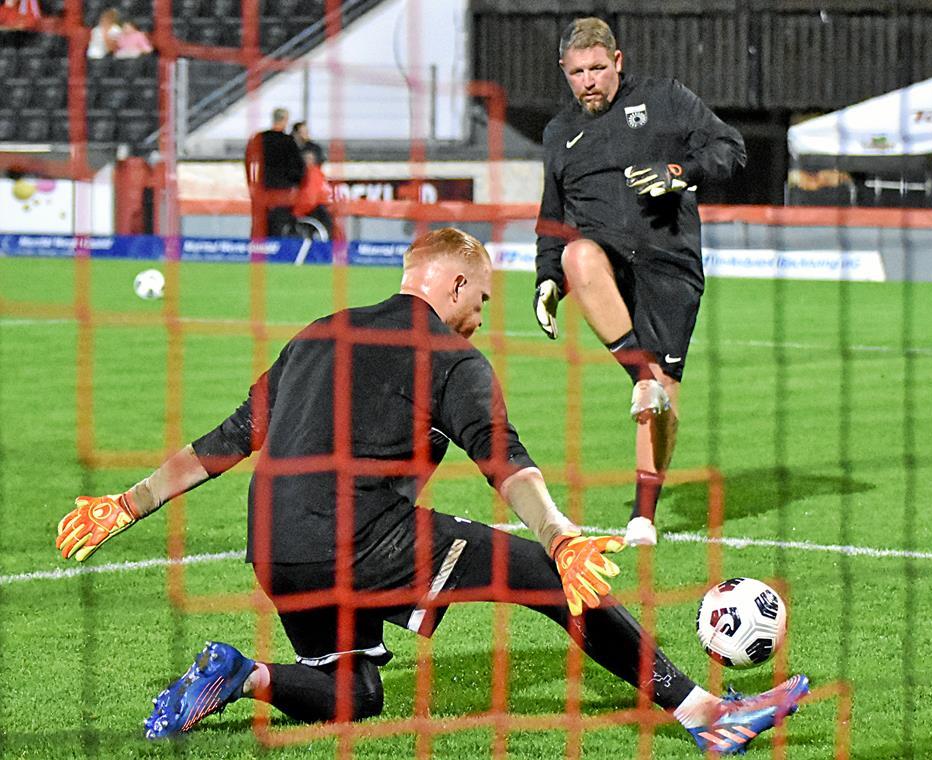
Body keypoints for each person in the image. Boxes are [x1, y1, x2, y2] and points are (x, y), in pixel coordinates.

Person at [55, 228, 807, 754]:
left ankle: (238, 674)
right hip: (358, 537)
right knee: (550, 579)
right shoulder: (452, 358)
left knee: (353, 693)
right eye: (479, 300)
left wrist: (127, 504)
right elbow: (507, 464)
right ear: (451, 283)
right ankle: (705, 714)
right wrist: (558, 535)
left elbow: (224, 441)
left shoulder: (319, 331)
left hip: (271, 545)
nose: (480, 320)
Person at [533, 18, 747, 547]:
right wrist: (545, 278)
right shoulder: (560, 134)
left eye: (598, 69)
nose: (589, 81)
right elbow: (552, 217)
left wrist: (681, 171)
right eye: (578, 72)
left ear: (618, 62)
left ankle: (643, 516)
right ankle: (639, 377)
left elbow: (731, 148)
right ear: (565, 72)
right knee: (577, 255)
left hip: (669, 263)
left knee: (665, 396)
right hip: (604, 260)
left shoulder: (665, 99)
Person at [244, 107, 304, 238]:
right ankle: (276, 252)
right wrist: (297, 184)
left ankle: (257, 249)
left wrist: (251, 184)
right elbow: (298, 169)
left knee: (259, 223)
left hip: (262, 189)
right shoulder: (288, 142)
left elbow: (248, 162)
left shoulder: (259, 138)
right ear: (285, 120)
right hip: (282, 191)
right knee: (279, 224)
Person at [292, 146, 335, 241]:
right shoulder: (320, 174)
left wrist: (296, 213)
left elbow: (310, 198)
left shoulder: (311, 174)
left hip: (316, 213)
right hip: (326, 213)